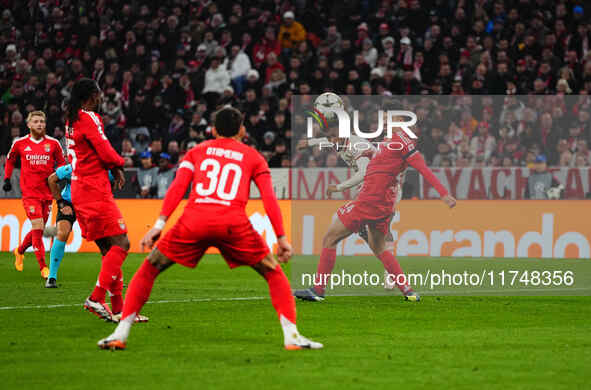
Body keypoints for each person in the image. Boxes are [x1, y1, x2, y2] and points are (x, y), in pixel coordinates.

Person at [98, 106, 322, 351]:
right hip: (233, 223)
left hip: (194, 220)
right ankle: (291, 336)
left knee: (150, 268)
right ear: (242, 130)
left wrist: (160, 224)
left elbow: (178, 186)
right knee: (273, 271)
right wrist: (281, 237)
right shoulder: (253, 157)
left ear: (213, 130)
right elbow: (269, 198)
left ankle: (120, 333)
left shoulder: (196, 152)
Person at [299, 127, 456, 302]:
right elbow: (381, 162)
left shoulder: (391, 144)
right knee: (379, 246)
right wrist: (312, 143)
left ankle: (318, 290)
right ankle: (408, 291)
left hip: (370, 200)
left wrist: (444, 194)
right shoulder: (387, 144)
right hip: (383, 203)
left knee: (330, 238)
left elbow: (420, 168)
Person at [65, 78, 129, 321]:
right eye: (99, 94)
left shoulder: (71, 119)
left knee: (108, 250)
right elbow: (103, 147)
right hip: (94, 189)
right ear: (91, 96)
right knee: (122, 244)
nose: (101, 98)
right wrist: (120, 164)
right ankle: (96, 298)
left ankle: (120, 310)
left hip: (80, 188)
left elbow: (93, 151)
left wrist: (113, 169)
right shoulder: (89, 117)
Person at [3, 111, 66, 279]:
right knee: (38, 227)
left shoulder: (53, 144)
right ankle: (43, 267)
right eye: (36, 121)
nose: (40, 124)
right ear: (29, 124)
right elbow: (9, 160)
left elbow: (61, 163)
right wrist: (7, 178)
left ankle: (19, 250)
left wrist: (60, 177)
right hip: (30, 193)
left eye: (42, 121)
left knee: (39, 228)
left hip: (47, 193)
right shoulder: (20, 143)